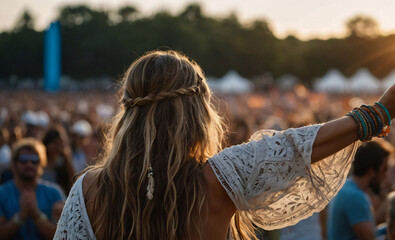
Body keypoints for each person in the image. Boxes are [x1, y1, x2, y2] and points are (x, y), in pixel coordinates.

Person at [54, 50, 395, 240]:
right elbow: (296, 147)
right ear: (197, 112)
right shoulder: (219, 179)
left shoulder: (87, 190)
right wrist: (378, 113)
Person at [0, 138, 65, 240]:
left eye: (35, 160)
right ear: (13, 164)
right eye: (23, 160)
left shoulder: (54, 192)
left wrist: (36, 215)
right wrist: (20, 217)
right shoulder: (2, 193)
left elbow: (63, 235)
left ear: (41, 164)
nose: (29, 164)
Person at [327, 141, 392, 240]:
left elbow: (371, 226)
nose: (386, 175)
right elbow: (370, 237)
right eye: (384, 169)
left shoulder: (348, 187)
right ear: (371, 171)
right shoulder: (355, 196)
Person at [42, 125, 75, 195]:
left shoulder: (64, 163)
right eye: (56, 143)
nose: (59, 147)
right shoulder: (39, 162)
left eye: (61, 143)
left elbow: (72, 181)